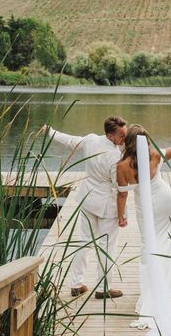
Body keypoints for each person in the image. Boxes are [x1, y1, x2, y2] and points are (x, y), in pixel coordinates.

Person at [116, 120, 171, 333]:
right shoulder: (154, 155)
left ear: (128, 142)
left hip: (145, 206)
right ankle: (168, 286)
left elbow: (122, 193)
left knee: (148, 245)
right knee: (168, 241)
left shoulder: (122, 167)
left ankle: (152, 291)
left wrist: (121, 216)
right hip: (165, 200)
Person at [44, 116, 128, 299]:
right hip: (107, 205)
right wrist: (123, 214)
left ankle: (76, 284)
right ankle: (103, 288)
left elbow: (69, 141)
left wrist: (50, 132)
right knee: (107, 246)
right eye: (122, 135)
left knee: (85, 241)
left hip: (87, 198)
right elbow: (120, 188)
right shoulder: (115, 156)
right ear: (111, 135)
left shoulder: (91, 140)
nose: (125, 138)